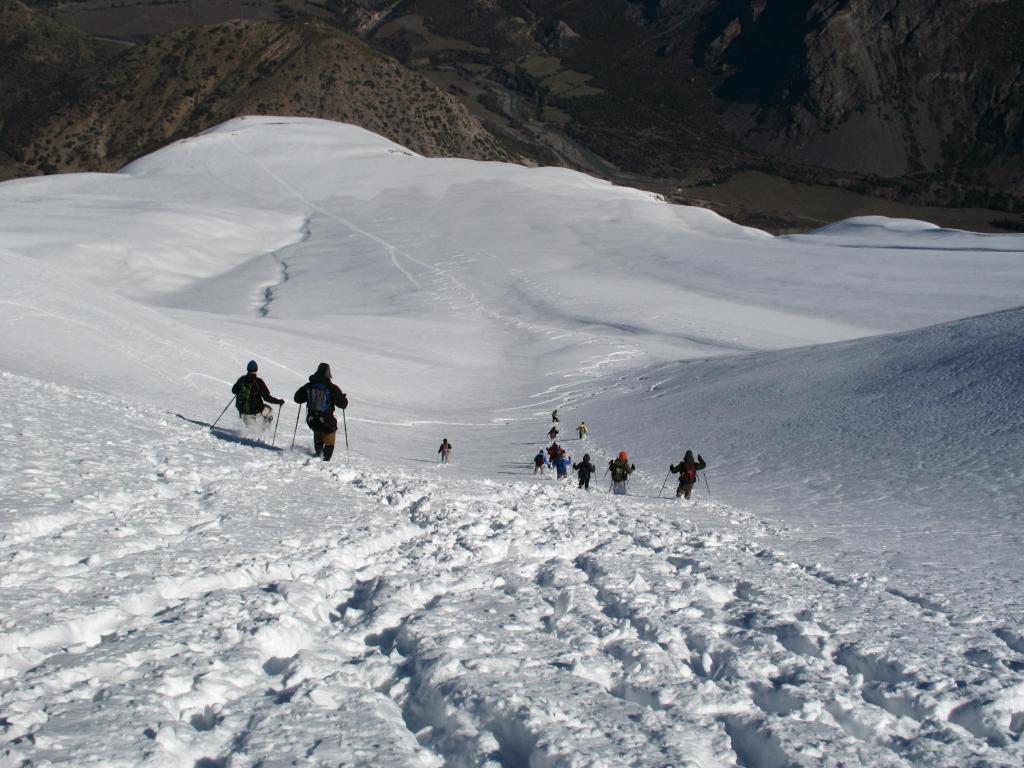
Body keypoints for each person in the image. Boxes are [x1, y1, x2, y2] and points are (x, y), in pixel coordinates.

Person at [293, 362, 348, 461]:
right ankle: (324, 462)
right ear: (328, 374)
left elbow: (297, 398)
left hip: (313, 421)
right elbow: (343, 405)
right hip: (327, 423)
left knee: (318, 434)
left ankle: (319, 456)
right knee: (327, 451)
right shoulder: (332, 388)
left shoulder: (309, 386)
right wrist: (343, 398)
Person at [231, 360, 284, 435]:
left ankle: (253, 429)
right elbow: (267, 398)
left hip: (242, 410)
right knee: (269, 410)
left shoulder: (242, 379)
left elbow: (234, 391)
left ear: (247, 369)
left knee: (250, 432)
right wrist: (279, 401)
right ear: (256, 369)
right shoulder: (258, 381)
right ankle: (265, 431)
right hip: (255, 412)